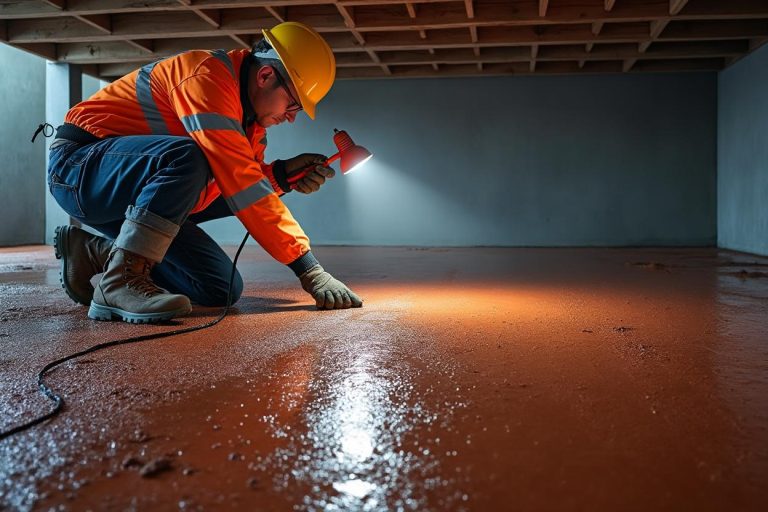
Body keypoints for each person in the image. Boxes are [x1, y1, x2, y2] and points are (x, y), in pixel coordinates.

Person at [46, 21, 363, 324]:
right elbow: (240, 181)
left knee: (220, 288)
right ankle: (119, 282)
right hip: (78, 171)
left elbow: (234, 188)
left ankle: (95, 252)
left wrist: (280, 177)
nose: (292, 117)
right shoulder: (206, 78)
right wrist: (309, 269)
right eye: (293, 105)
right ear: (266, 76)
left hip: (130, 197)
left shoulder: (249, 129)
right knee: (189, 157)